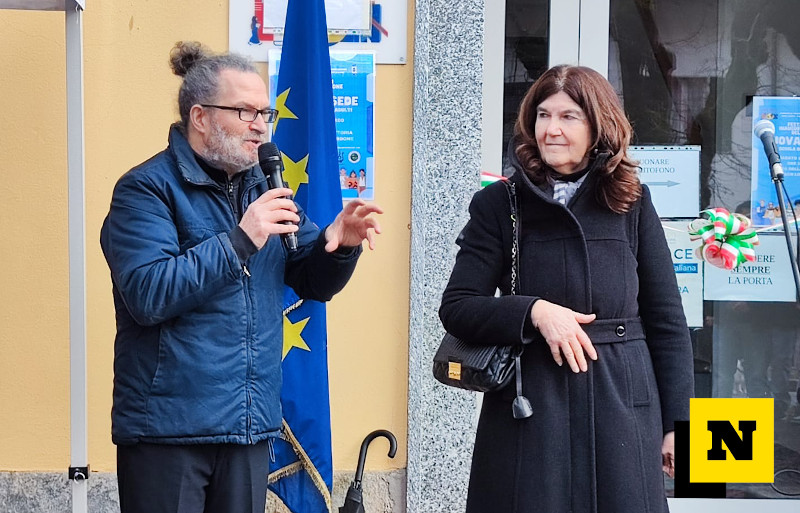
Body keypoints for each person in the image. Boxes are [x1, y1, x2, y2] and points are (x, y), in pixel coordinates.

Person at [100, 41, 382, 513]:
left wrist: (339, 245)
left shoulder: (264, 185)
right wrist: (240, 240)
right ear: (200, 117)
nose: (260, 125)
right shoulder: (145, 189)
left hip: (249, 427)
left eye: (265, 113)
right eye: (245, 111)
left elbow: (312, 282)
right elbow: (148, 293)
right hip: (168, 432)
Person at [439, 65, 693, 513]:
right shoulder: (499, 204)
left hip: (622, 407)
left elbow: (667, 319)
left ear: (597, 126)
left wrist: (679, 424)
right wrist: (534, 312)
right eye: (543, 115)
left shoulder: (631, 201)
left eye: (568, 116)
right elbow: (458, 307)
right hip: (533, 410)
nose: (551, 129)